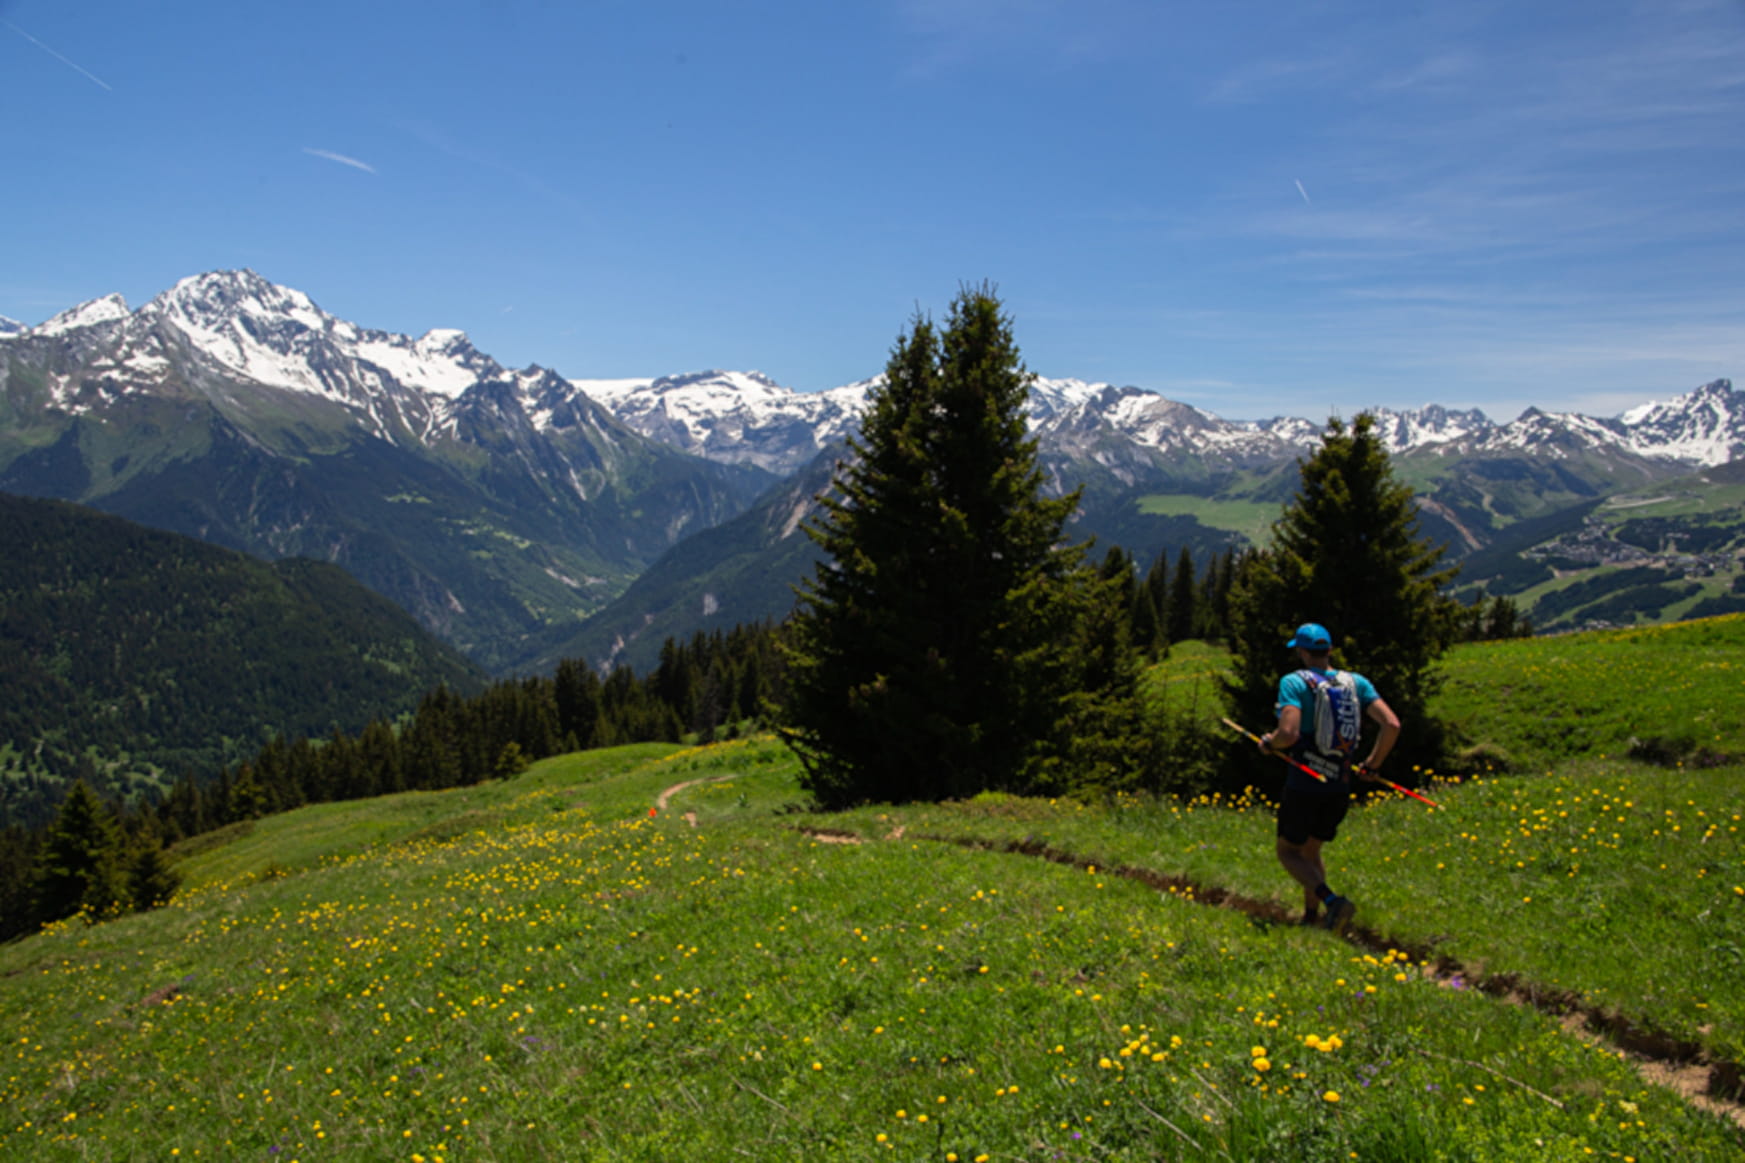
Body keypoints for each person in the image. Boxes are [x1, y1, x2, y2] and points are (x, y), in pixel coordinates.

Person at [1259, 622, 1400, 932]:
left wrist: (1269, 743)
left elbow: (1289, 733)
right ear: (1330, 650)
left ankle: (1331, 901)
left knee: (1287, 851)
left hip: (1305, 781)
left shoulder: (1294, 683)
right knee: (1312, 851)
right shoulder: (1356, 683)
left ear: (1301, 651)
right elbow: (1392, 724)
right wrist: (1373, 765)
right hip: (1339, 784)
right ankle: (1312, 918)